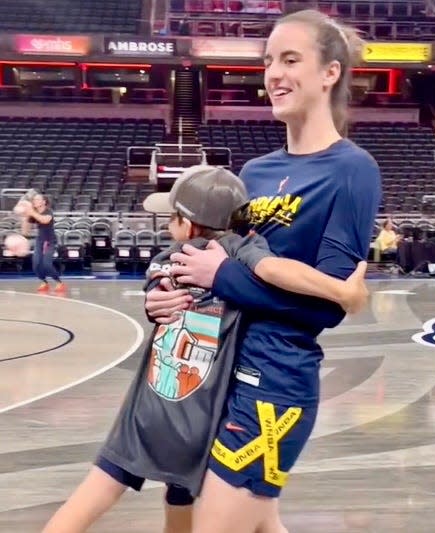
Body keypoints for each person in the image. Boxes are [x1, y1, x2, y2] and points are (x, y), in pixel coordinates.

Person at [145, 9, 382, 533]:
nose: (273, 73)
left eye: (291, 59)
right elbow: (208, 263)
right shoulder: (256, 172)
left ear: (330, 72)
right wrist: (165, 298)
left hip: (273, 383)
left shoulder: (352, 170)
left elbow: (326, 306)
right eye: (269, 60)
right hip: (218, 368)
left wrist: (221, 277)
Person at [42, 165, 370, 533]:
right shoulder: (240, 251)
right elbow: (276, 270)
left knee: (98, 490)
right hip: (204, 416)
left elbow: (157, 290)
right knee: (200, 497)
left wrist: (155, 297)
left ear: (188, 223)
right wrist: (340, 291)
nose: (168, 225)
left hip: (150, 407)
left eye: (172, 217)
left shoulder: (170, 258)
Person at [20, 193, 66, 293]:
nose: (34, 201)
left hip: (49, 241)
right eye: (34, 200)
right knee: (36, 264)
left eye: (37, 199)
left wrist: (31, 212)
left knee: (46, 264)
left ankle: (59, 282)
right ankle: (44, 282)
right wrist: (25, 217)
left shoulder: (48, 212)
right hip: (39, 241)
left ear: (43, 202)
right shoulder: (34, 213)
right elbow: (25, 232)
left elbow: (44, 220)